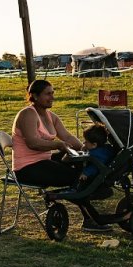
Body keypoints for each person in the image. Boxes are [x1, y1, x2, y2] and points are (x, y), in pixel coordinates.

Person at [11, 79, 111, 232]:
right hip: (27, 168)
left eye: (53, 93)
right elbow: (33, 143)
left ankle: (94, 201)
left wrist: (86, 150)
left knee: (81, 164)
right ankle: (90, 219)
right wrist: (57, 145)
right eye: (48, 94)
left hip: (43, 160)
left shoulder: (51, 116)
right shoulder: (27, 114)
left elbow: (68, 137)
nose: (52, 97)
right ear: (35, 96)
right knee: (76, 177)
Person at [76, 124, 115, 188]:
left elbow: (96, 166)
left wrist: (86, 173)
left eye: (86, 141)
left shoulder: (97, 154)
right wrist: (86, 148)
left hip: (98, 174)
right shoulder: (104, 148)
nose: (83, 143)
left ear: (94, 144)